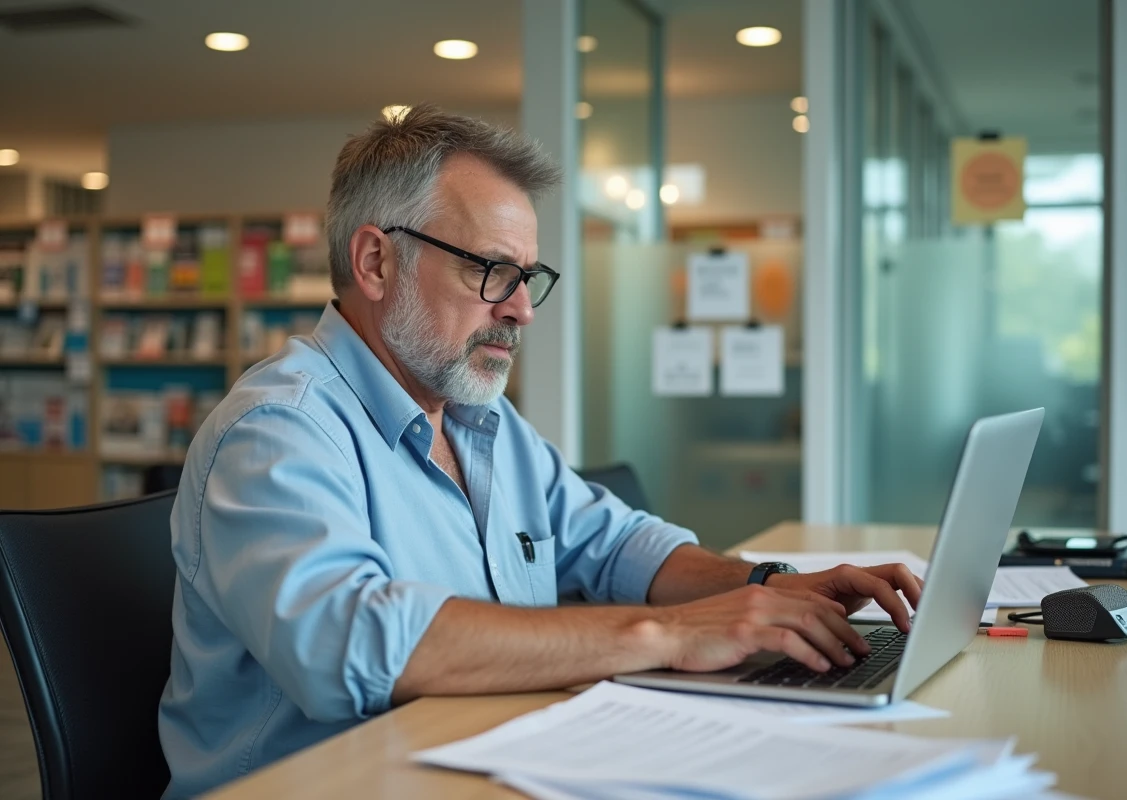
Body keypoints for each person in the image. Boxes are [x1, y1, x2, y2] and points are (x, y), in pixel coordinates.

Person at [158, 104, 922, 797]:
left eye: (527, 278)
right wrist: (668, 634)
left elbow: (620, 545)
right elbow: (353, 644)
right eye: (490, 270)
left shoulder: (479, 421)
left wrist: (771, 587)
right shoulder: (276, 431)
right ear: (376, 262)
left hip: (498, 764)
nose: (521, 309)